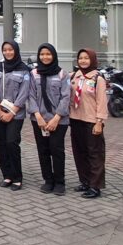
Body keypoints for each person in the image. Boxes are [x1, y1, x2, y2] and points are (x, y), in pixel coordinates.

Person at [28, 43, 71, 196]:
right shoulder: (34, 74)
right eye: (42, 54)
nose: (45, 57)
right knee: (43, 150)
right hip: (39, 119)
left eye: (48, 54)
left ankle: (60, 182)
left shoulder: (62, 74)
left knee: (57, 149)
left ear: (53, 56)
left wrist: (56, 118)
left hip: (58, 120)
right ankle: (48, 180)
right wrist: (38, 116)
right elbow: (31, 95)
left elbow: (66, 97)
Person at [0, 40, 30, 191]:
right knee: (1, 143)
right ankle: (7, 175)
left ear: (16, 51)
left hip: (16, 114)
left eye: (10, 50)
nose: (7, 52)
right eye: (5, 50)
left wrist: (12, 112)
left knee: (11, 142)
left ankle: (17, 177)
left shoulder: (23, 69)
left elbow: (24, 92)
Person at [70, 48, 108, 199]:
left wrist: (99, 121)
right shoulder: (74, 76)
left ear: (92, 60)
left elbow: (102, 101)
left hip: (91, 121)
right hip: (75, 119)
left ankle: (95, 185)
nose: (83, 61)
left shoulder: (97, 78)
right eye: (80, 58)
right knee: (80, 152)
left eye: (86, 58)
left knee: (95, 153)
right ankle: (84, 181)